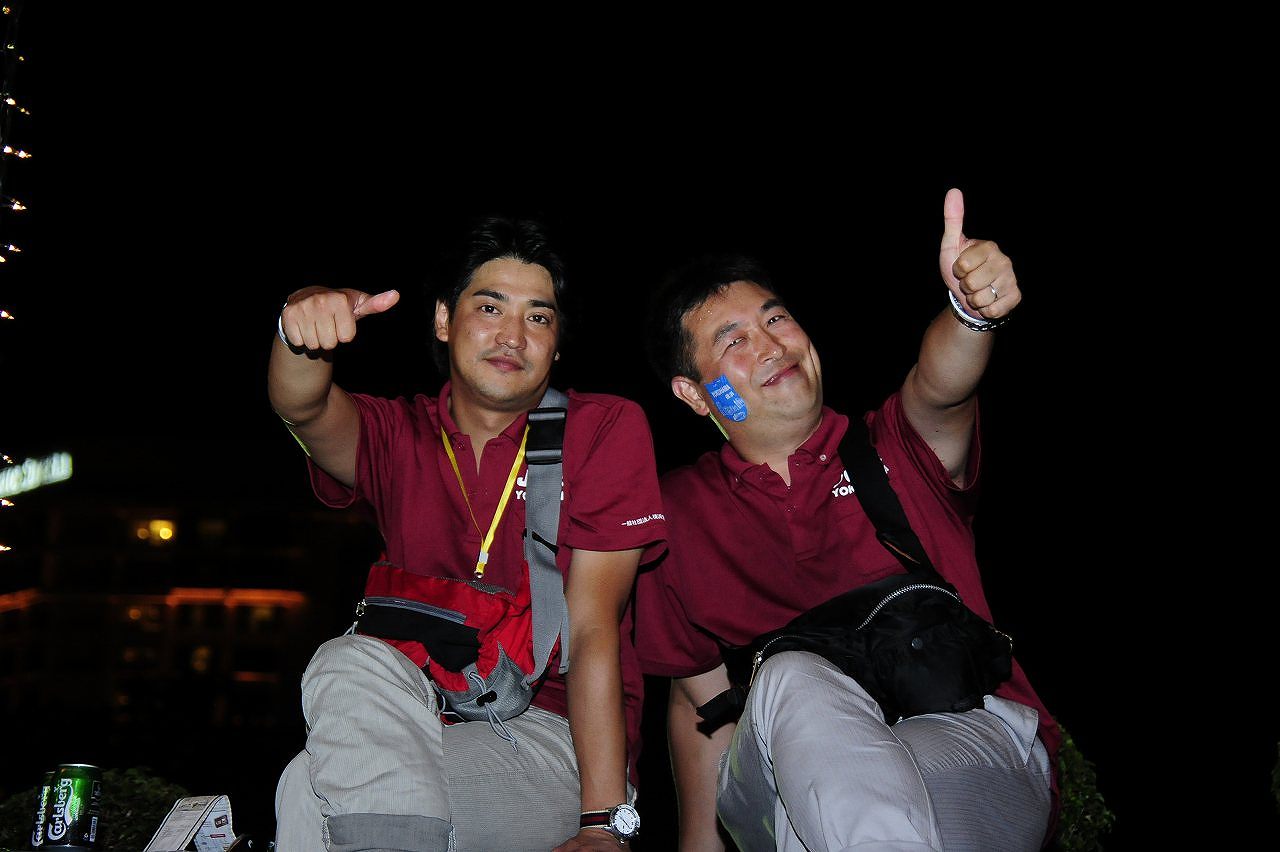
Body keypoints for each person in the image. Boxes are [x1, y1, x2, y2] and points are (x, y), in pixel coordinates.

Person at [634, 188, 1060, 851]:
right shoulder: (675, 515)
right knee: (791, 679)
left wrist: (968, 314)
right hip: (790, 776)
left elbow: (941, 388)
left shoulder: (893, 448)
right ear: (694, 393)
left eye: (777, 319)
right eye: (734, 339)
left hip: (972, 746)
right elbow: (700, 705)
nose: (771, 345)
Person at [269, 216, 667, 851]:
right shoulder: (398, 434)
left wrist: (601, 823)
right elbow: (302, 405)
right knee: (345, 666)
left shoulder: (601, 429)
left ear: (557, 345)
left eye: (539, 317)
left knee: (306, 790)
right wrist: (299, 323)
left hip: (554, 736)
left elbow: (593, 628)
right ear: (442, 320)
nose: (513, 335)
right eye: (489, 307)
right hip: (417, 717)